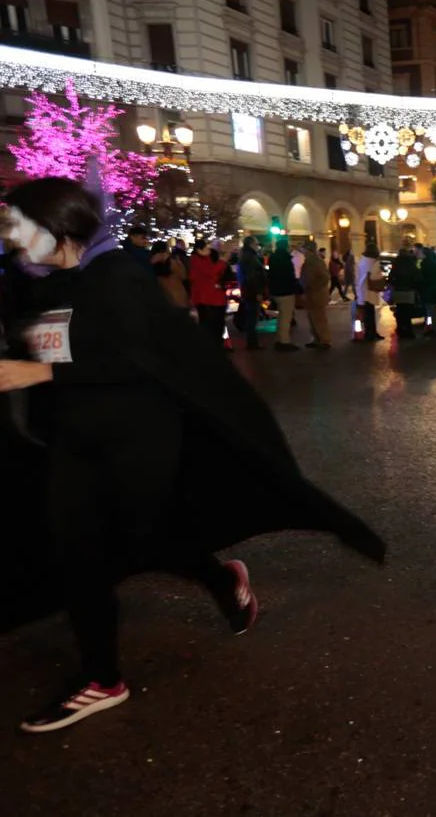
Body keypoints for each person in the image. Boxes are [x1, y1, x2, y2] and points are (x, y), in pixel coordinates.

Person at [0, 177, 384, 733]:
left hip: (138, 438)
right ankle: (103, 678)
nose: (10, 236)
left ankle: (221, 579)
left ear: (55, 225)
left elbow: (145, 364)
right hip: (72, 442)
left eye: (17, 223)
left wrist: (39, 371)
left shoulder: (121, 278)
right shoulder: (43, 288)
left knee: (147, 537)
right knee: (76, 554)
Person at [189, 239, 229, 349]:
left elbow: (214, 273)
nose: (209, 250)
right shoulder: (196, 260)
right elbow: (211, 272)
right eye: (207, 248)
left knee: (217, 324)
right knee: (210, 325)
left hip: (214, 297)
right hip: (205, 299)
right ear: (199, 250)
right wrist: (222, 262)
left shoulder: (206, 258)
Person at [268, 238, 301, 352]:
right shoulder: (286, 259)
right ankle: (284, 341)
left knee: (281, 316)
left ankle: (279, 339)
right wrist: (297, 288)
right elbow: (290, 276)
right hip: (286, 291)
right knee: (286, 317)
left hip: (276, 290)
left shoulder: (273, 257)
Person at [235, 237, 266, 350]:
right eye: (256, 243)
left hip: (249, 290)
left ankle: (252, 342)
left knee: (252, 316)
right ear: (251, 244)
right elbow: (252, 277)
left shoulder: (247, 256)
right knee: (252, 317)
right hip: (251, 291)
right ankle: (252, 343)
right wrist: (258, 291)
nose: (258, 246)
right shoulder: (250, 257)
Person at [299, 240, 331, 350]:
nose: (302, 250)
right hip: (311, 294)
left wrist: (313, 286)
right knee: (312, 318)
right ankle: (316, 338)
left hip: (316, 294)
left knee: (319, 318)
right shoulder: (310, 260)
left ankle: (325, 340)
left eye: (303, 248)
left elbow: (324, 277)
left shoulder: (315, 261)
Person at [353, 241, 383, 342]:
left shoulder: (362, 261)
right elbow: (375, 276)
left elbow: (358, 279)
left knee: (367, 313)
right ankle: (372, 332)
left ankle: (370, 333)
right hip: (371, 290)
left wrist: (357, 293)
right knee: (370, 312)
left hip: (363, 290)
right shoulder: (375, 262)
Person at [150, 240, 189, 309]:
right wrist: (179, 263)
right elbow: (183, 276)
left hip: (161, 296)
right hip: (177, 295)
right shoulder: (172, 262)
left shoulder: (151, 261)